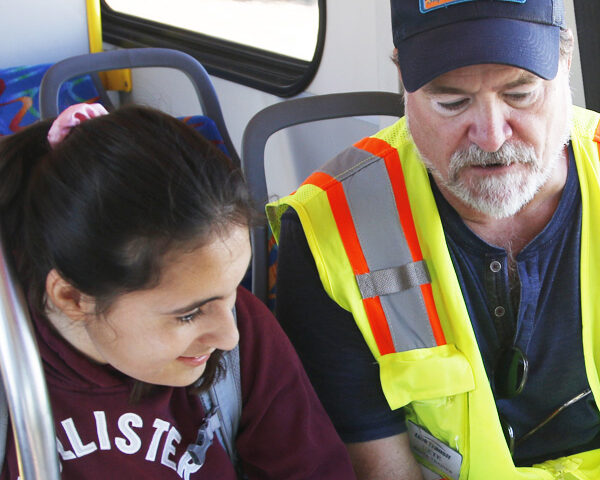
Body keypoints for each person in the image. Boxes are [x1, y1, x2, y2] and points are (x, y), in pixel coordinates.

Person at [267, 0, 600, 478]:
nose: (490, 136)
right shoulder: (330, 228)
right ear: (404, 81)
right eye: (452, 103)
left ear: (566, 66)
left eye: (521, 94)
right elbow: (377, 460)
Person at [0, 103, 356, 479]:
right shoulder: (16, 376)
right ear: (73, 298)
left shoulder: (246, 332)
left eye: (232, 289)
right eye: (188, 314)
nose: (228, 337)